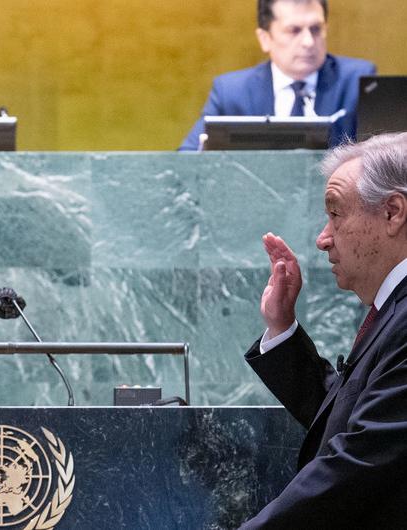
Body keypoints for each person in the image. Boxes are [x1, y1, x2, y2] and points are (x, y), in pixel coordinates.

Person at [242, 132, 407, 528]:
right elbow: (350, 416)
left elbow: (358, 463)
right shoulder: (394, 310)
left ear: (393, 212)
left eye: (336, 214)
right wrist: (282, 329)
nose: (322, 239)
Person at [180, 0, 376, 151]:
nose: (308, 42)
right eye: (294, 31)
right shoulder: (231, 92)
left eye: (316, 29)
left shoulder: (358, 81)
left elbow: (381, 160)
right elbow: (186, 158)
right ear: (265, 39)